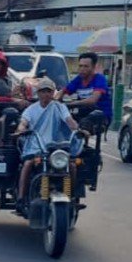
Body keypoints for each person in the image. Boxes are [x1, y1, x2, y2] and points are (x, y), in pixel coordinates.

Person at [15, 78, 80, 206]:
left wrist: (77, 129)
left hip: (57, 147)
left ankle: (72, 197)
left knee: (72, 166)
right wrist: (20, 130)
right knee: (28, 164)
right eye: (43, 91)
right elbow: (23, 123)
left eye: (49, 91)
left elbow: (69, 121)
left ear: (53, 93)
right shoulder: (31, 109)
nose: (46, 94)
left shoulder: (59, 107)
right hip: (36, 146)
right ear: (38, 93)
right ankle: (21, 198)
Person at [57, 51, 112, 122]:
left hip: (101, 115)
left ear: (94, 67)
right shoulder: (78, 79)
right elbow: (64, 90)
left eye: (86, 66)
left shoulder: (99, 79)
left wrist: (71, 104)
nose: (82, 69)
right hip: (84, 113)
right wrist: (57, 100)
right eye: (80, 66)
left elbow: (93, 100)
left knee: (85, 124)